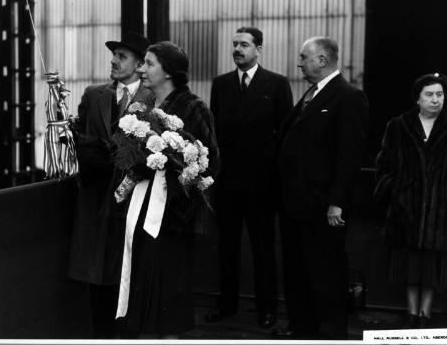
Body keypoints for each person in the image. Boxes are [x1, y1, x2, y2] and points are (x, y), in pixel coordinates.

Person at [116, 41, 219, 338]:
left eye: (148, 64)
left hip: (174, 218)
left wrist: (174, 173)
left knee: (169, 294)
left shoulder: (193, 106)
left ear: (170, 71)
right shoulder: (146, 106)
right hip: (143, 209)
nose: (141, 69)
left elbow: (211, 163)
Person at [273, 36, 368, 339]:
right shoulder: (310, 95)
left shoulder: (348, 97)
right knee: (297, 273)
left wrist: (337, 202)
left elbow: (349, 156)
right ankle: (302, 330)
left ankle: (328, 335)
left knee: (325, 275)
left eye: (304, 58)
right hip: (295, 205)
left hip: (322, 209)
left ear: (322, 60)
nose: (299, 63)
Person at [68, 31, 154, 338]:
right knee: (97, 277)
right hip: (95, 204)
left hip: (130, 205)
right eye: (114, 55)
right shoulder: (94, 95)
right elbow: (81, 141)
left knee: (127, 275)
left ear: (141, 64)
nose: (114, 61)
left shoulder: (153, 99)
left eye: (122, 56)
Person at [207, 26, 293, 328]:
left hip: (262, 184)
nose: (237, 50)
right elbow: (214, 135)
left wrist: (276, 178)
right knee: (227, 246)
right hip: (228, 182)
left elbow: (286, 136)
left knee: (263, 247)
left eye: (244, 44)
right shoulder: (221, 85)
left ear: (259, 49)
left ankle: (266, 308)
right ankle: (227, 304)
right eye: (234, 44)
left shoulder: (277, 84)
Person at [374, 73, 447, 329]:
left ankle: (425, 315)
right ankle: (412, 314)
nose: (435, 100)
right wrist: (396, 191)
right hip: (407, 209)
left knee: (431, 268)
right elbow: (384, 166)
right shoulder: (398, 126)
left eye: (440, 95)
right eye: (429, 94)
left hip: (440, 209)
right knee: (410, 267)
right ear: (417, 98)